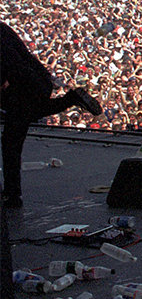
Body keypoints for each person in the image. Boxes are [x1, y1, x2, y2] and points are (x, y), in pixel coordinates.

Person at [2, 21, 102, 208]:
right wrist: (49, 78)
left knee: (11, 141)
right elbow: (24, 54)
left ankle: (12, 194)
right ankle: (70, 99)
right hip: (38, 80)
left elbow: (5, 61)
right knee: (30, 114)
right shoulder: (3, 28)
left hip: (19, 86)